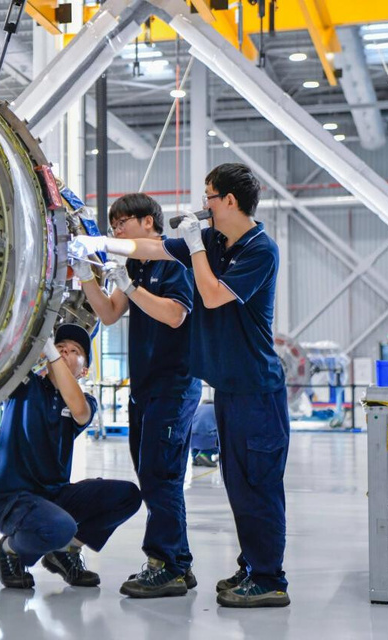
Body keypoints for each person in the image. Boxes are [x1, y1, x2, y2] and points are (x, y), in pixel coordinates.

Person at [70, 163, 290, 608]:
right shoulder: (213, 242)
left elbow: (209, 296)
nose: (202, 205)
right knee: (237, 484)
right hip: (228, 386)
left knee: (257, 485)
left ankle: (268, 578)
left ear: (229, 200)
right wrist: (97, 244)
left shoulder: (259, 250)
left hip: (256, 388)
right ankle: (252, 566)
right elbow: (149, 248)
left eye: (209, 196)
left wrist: (191, 249)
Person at [73, 193, 201, 598]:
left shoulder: (174, 259)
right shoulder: (135, 265)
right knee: (152, 476)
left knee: (160, 476)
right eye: (113, 226)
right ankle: (178, 562)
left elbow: (175, 314)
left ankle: (163, 563)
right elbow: (109, 314)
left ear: (149, 222)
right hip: (144, 388)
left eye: (123, 222)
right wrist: (88, 276)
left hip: (174, 385)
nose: (117, 231)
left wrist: (131, 286)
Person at [0, 324, 142, 590]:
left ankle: (65, 552)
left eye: (74, 351)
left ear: (84, 370)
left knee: (128, 496)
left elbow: (79, 410)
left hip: (53, 497)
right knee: (60, 527)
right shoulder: (26, 386)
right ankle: (9, 551)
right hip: (12, 500)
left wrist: (54, 357)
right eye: (59, 347)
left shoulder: (85, 401)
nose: (64, 352)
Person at [191, 400, 219, 467]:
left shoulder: (197, 408)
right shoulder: (216, 408)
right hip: (206, 439)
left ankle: (195, 458)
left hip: (191, 440)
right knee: (222, 440)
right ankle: (204, 454)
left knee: (196, 435)